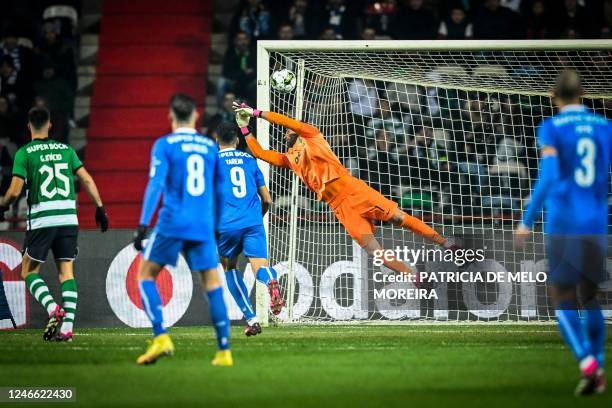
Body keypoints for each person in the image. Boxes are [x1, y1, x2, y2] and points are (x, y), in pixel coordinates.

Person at [233, 102, 455, 278]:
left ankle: (446, 243)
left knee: (398, 217)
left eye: (287, 131)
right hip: (339, 206)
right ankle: (413, 277)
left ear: (295, 130)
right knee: (373, 250)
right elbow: (261, 153)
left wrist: (256, 113)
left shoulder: (312, 135)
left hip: (353, 190)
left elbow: (286, 121)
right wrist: (244, 128)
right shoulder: (290, 159)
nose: (283, 134)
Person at [515, 70, 610, 396]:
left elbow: (550, 177)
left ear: (554, 98)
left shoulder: (552, 127)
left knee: (563, 296)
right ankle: (598, 366)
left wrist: (527, 219)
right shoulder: (605, 127)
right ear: (582, 94)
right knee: (590, 295)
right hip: (596, 219)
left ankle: (587, 362)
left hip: (565, 221)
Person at [132, 94, 232, 367]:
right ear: (196, 116)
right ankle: (224, 352)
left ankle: (161, 336)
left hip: (172, 222)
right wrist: (217, 226)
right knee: (212, 283)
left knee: (145, 275)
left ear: (171, 117)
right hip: (202, 223)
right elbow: (221, 191)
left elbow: (155, 186)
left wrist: (142, 225)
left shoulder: (164, 145)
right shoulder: (210, 147)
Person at [0, 106, 108, 342]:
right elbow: (86, 179)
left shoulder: (25, 153)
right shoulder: (67, 150)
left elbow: (14, 191)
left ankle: (52, 308)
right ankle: (67, 328)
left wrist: (2, 204)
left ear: (29, 126)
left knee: (28, 271)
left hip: (43, 218)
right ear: (50, 125)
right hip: (69, 217)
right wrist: (99, 207)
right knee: (66, 272)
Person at [214, 122, 283, 336]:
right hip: (253, 222)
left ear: (217, 140)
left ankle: (252, 319)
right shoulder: (250, 160)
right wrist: (257, 218)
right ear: (237, 140)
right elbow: (268, 200)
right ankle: (271, 280)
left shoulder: (212, 162)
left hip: (227, 224)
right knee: (260, 268)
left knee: (230, 268)